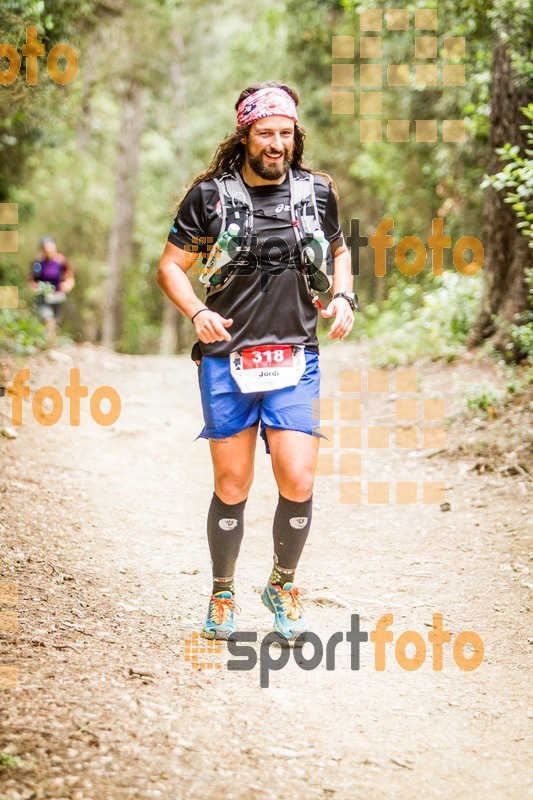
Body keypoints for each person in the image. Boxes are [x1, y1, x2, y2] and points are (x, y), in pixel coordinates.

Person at [157, 81, 356, 642]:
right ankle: (223, 593)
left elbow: (339, 249)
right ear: (245, 134)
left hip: (295, 354)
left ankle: (282, 582)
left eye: (286, 133)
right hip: (226, 358)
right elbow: (170, 267)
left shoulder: (317, 192)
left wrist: (342, 295)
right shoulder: (210, 197)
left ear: (296, 136)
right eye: (266, 132)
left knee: (297, 476)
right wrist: (196, 311)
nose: (277, 143)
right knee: (233, 483)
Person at [28, 236, 75, 347]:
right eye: (46, 247)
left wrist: (67, 285)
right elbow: (31, 279)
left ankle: (52, 340)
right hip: (43, 296)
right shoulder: (38, 263)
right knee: (48, 318)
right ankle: (50, 343)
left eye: (50, 246)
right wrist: (35, 288)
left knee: (55, 319)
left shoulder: (61, 261)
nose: (48, 249)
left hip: (57, 296)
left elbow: (69, 277)